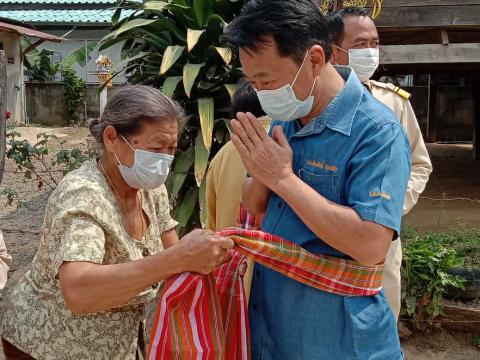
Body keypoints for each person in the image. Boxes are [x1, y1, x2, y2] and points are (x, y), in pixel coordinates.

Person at [222, 0, 410, 359]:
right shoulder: (289, 115)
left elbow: (370, 245)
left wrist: (283, 178)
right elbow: (256, 204)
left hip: (337, 339)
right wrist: (260, 172)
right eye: (253, 81)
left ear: (314, 59)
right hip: (272, 327)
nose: (261, 92)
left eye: (268, 80)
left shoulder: (376, 133)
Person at [0, 85, 234, 360]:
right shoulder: (83, 194)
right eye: (156, 148)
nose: (165, 160)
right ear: (112, 138)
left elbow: (172, 250)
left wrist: (211, 259)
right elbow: (78, 290)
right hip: (48, 345)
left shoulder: (149, 189)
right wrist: (179, 259)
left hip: (113, 345)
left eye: (171, 148)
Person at [328, 6, 433, 320]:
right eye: (360, 44)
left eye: (375, 43)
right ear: (334, 50)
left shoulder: (393, 102)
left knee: (383, 313)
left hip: (382, 240)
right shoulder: (316, 104)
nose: (371, 51)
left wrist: (392, 208)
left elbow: (420, 163)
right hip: (330, 234)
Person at [206, 79, 270, 301]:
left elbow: (213, 225)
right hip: (278, 286)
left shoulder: (223, 155)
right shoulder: (291, 141)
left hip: (232, 285)